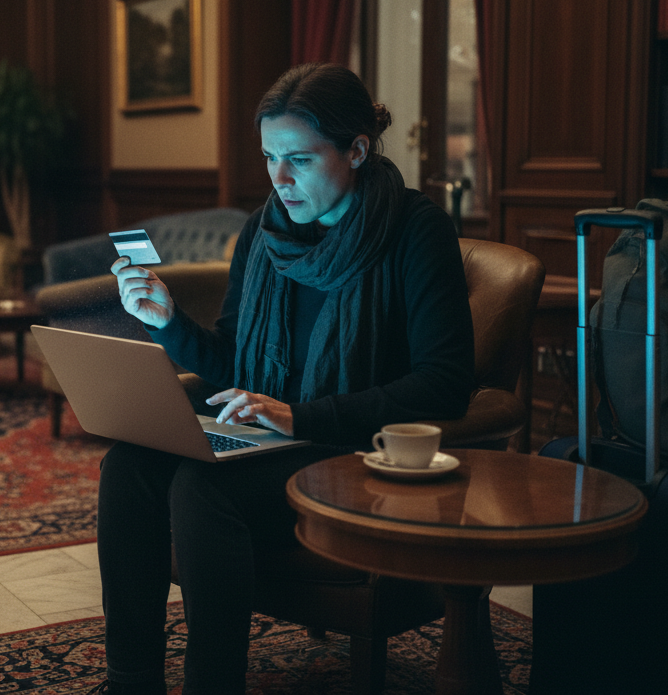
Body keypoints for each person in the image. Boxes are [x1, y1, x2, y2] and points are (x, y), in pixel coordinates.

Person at [92, 62, 476, 694]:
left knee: (199, 485)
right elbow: (235, 364)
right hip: (272, 438)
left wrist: (301, 417)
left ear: (356, 149)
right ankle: (130, 682)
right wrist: (168, 323)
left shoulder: (414, 229)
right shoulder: (264, 233)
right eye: (270, 157)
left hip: (354, 448)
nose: (279, 178)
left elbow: (445, 382)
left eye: (298, 158)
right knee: (128, 465)